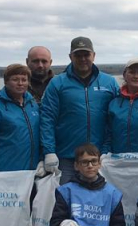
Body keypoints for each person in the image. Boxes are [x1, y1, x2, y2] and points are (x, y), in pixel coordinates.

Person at [40, 36, 120, 183]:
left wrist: (107, 150)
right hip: (67, 158)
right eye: (78, 55)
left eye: (86, 54)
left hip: (98, 159)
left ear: (94, 55)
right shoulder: (57, 83)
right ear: (70, 57)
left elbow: (116, 119)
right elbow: (47, 119)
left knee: (97, 202)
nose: (83, 59)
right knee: (65, 201)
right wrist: (49, 151)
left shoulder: (109, 82)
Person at [49, 143, 126, 226]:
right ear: (76, 166)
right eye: (85, 162)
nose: (90, 166)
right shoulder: (66, 192)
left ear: (100, 164)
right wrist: (62, 224)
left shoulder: (112, 194)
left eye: (94, 161)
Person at [0, 63, 42, 173]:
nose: (20, 83)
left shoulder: (33, 104)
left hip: (32, 172)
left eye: (24, 80)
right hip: (5, 171)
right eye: (15, 79)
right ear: (6, 82)